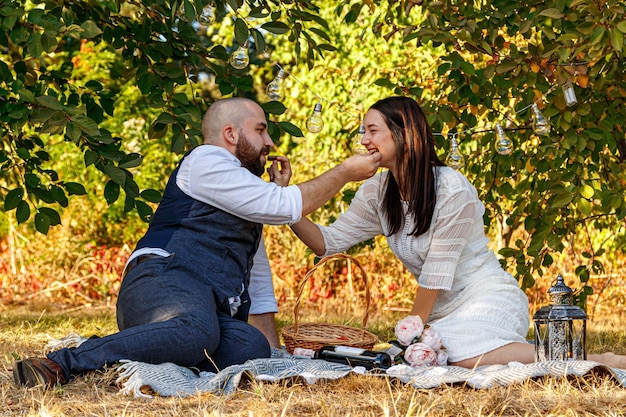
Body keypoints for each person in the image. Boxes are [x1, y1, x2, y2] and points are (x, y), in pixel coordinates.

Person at [13, 97, 382, 388]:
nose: (270, 142)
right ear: (231, 134)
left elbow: (256, 268)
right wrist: (346, 172)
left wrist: (270, 345)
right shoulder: (207, 160)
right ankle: (65, 361)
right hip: (161, 282)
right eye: (261, 130)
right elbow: (281, 206)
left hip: (204, 307)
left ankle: (149, 343)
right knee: (197, 331)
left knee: (250, 347)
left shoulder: (243, 190)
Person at [289, 96, 626, 369]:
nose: (364, 140)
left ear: (403, 133)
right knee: (435, 356)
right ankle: (530, 354)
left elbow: (436, 273)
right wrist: (285, 210)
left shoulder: (451, 188)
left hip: (486, 297)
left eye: (372, 130)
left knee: (454, 355)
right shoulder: (379, 188)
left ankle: (590, 360)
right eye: (364, 131)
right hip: (441, 311)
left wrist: (411, 336)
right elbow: (326, 242)